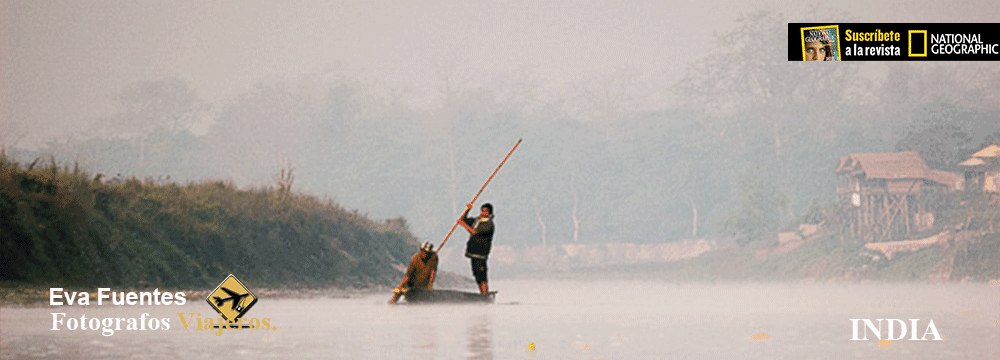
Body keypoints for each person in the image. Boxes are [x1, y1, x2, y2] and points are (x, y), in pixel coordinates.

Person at [458, 202, 494, 294]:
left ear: (489, 213)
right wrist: (467, 210)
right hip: (473, 253)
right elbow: (462, 219)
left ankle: (484, 294)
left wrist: (463, 225)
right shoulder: (477, 220)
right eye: (482, 210)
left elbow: (474, 232)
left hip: (481, 254)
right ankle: (481, 293)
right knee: (476, 275)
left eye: (485, 211)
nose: (483, 213)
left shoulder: (489, 224)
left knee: (482, 275)